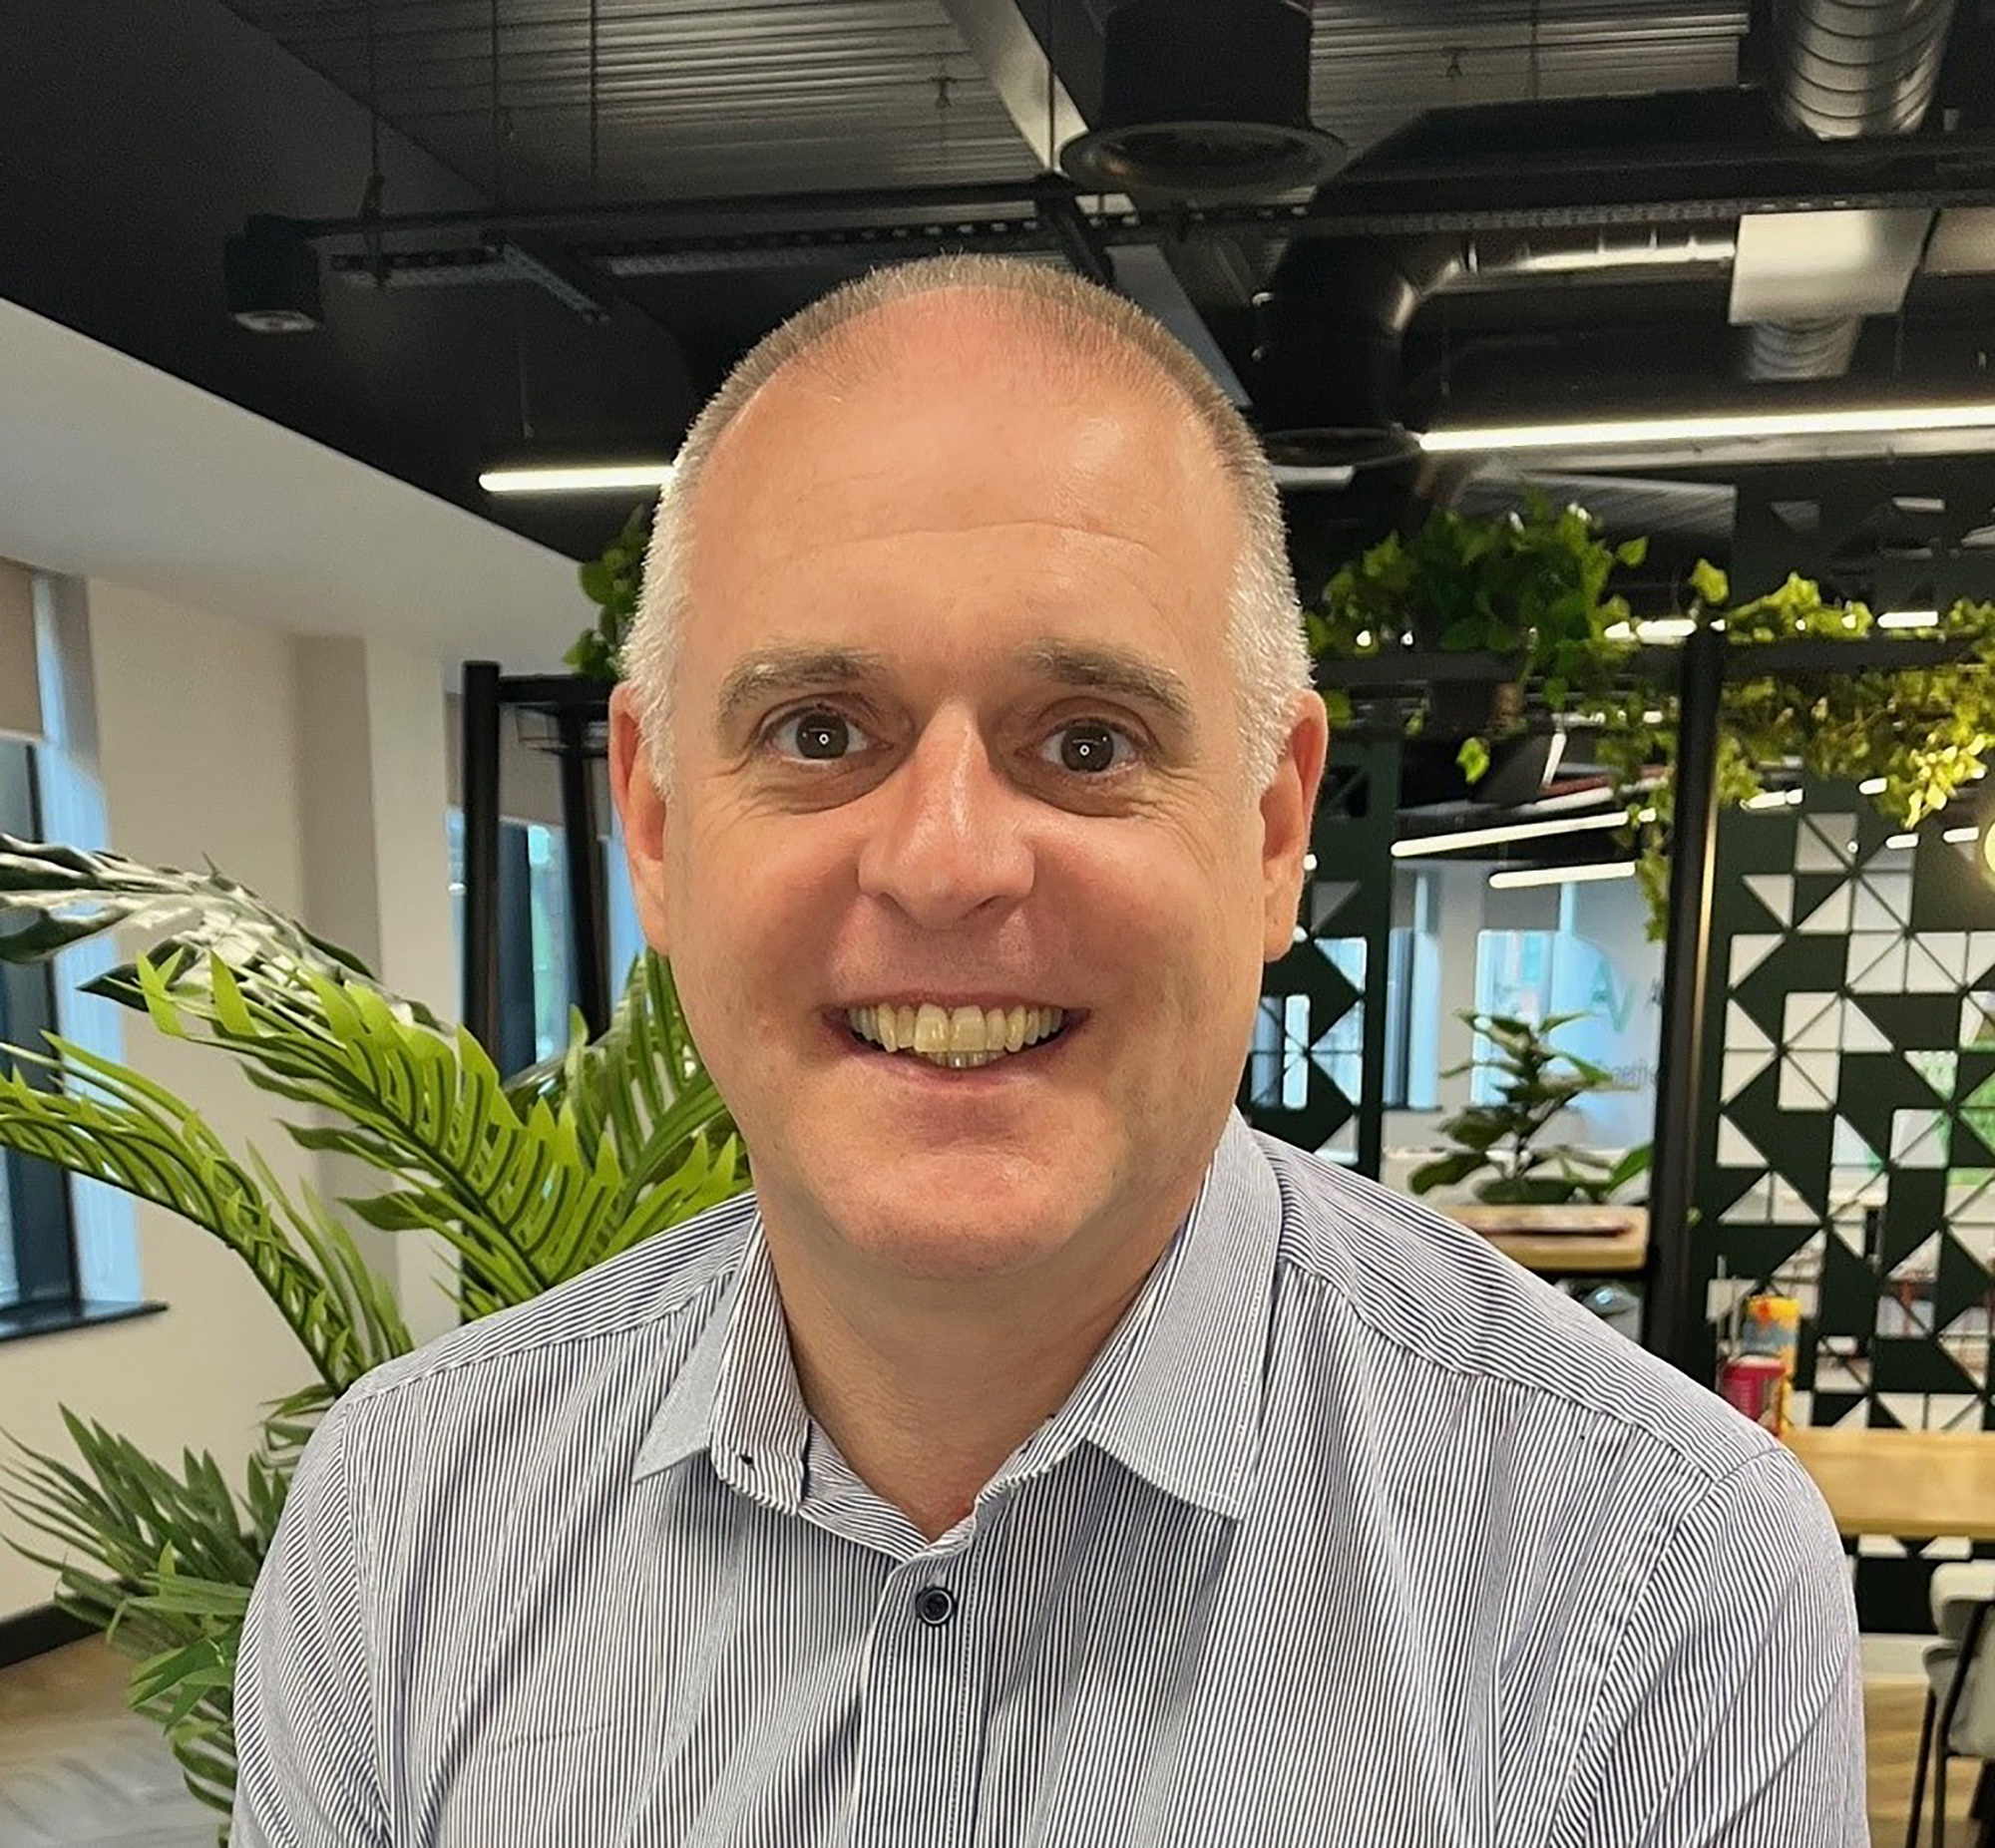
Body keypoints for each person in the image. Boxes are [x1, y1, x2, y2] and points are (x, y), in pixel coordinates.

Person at [231, 254, 1865, 1846]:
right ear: (656, 821)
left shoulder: (1658, 1576)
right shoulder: (403, 1530)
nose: (945, 860)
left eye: (1089, 743)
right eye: (821, 732)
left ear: (1278, 824)